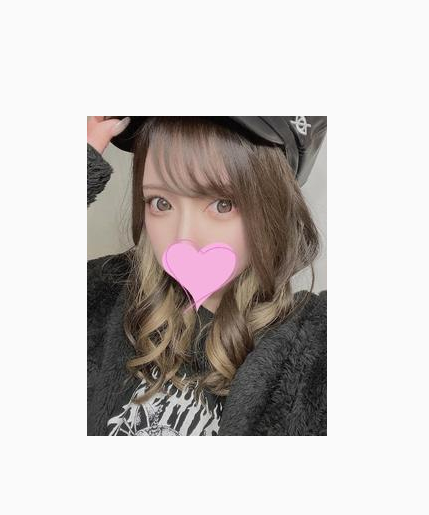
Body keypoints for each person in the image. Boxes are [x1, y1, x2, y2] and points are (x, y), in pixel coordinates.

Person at [87, 116, 327, 436]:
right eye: (161, 203)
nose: (183, 238)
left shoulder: (310, 350)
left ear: (272, 206)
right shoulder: (103, 296)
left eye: (222, 204)